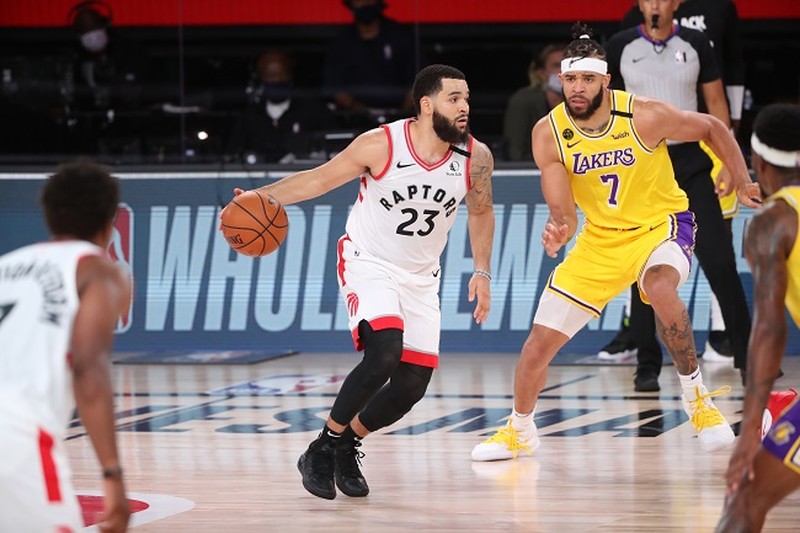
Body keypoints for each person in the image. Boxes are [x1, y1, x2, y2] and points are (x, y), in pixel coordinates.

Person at [470, 24, 761, 463]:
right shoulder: (548, 133)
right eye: (570, 79)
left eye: (588, 79)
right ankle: (521, 429)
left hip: (659, 226)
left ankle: (698, 401)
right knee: (537, 346)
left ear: (606, 81)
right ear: (560, 81)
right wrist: (559, 229)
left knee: (660, 290)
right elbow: (565, 214)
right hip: (600, 242)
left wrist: (741, 181)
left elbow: (711, 126)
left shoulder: (643, 114)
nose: (578, 88)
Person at [223, 64, 494, 498]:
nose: (464, 107)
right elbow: (319, 179)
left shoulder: (475, 157)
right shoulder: (381, 144)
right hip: (369, 261)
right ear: (427, 106)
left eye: (466, 98)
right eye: (454, 99)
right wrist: (264, 196)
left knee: (411, 386)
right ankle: (322, 449)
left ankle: (348, 444)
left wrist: (481, 270)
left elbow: (481, 212)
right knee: (385, 350)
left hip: (422, 277)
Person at [603, 0, 752, 392]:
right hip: (641, 161)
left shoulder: (697, 42)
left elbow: (716, 106)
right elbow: (608, 109)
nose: (654, 5)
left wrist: (726, 164)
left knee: (720, 261)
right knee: (643, 265)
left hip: (689, 160)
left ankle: (749, 360)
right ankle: (646, 366)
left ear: (676, 4)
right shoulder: (619, 44)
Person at [0, 160, 132, 532]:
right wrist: (112, 474)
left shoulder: (6, 266)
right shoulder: (99, 271)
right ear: (110, 221)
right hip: (18, 442)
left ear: (48, 215)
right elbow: (88, 368)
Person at [715, 103, 800, 533]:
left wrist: (750, 431)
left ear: (758, 161)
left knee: (744, 503)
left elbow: (769, 328)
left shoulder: (773, 219)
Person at [226, 49, 335, 164]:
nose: (277, 80)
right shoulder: (249, 116)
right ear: (261, 78)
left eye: (282, 74)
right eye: (271, 76)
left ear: (291, 74)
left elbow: (336, 149)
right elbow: (232, 155)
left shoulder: (314, 111)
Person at [322, 0, 418, 127]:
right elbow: (334, 87)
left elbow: (418, 81)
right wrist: (362, 111)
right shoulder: (342, 42)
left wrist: (399, 117)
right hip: (355, 122)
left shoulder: (401, 36)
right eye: (359, 1)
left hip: (402, 122)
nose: (365, 4)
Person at [503, 44, 564, 162]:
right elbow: (515, 152)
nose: (563, 71)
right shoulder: (523, 101)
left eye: (568, 65)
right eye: (556, 65)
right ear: (542, 73)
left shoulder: (582, 101)